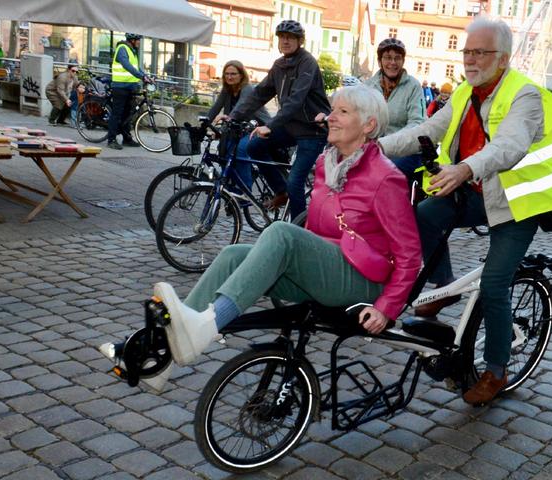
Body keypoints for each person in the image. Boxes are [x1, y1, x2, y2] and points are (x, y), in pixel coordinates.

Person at [100, 85, 421, 382]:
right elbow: (319, 228)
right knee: (232, 256)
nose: (330, 117)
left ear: (368, 125)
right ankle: (160, 358)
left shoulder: (386, 178)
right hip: (328, 269)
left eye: (343, 112)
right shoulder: (327, 163)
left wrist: (386, 307)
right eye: (332, 109)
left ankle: (208, 325)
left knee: (282, 233)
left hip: (360, 279)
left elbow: (410, 255)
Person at [377, 17, 552, 405]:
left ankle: (495, 370)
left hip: (522, 203)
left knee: (496, 285)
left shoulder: (526, 96)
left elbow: (509, 146)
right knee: (424, 217)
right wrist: (372, 147)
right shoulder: (467, 91)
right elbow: (426, 131)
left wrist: (463, 168)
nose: (470, 59)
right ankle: (440, 288)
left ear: (502, 58)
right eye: (466, 52)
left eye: (479, 52)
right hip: (481, 190)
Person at [231, 20, 330, 219]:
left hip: (313, 130)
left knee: (295, 181)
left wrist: (270, 125)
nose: (285, 40)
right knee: (253, 146)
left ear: (299, 40)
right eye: (282, 37)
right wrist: (233, 115)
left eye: (291, 37)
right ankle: (281, 191)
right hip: (291, 127)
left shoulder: (307, 62)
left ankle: (297, 230)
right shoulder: (279, 65)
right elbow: (259, 94)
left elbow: (296, 99)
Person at [365, 38, 426, 177]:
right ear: (380, 61)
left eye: (397, 58)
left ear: (403, 61)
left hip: (405, 150)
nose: (392, 62)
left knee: (384, 171)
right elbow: (357, 116)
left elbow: (417, 122)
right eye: (387, 58)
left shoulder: (413, 86)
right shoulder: (368, 86)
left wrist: (390, 143)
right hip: (373, 148)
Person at [207, 61, 271, 189]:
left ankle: (244, 190)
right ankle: (230, 184)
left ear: (241, 75)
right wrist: (204, 123)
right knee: (223, 150)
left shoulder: (247, 89)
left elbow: (240, 108)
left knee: (241, 149)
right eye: (227, 74)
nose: (229, 77)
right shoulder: (227, 89)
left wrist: (228, 118)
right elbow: (216, 107)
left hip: (256, 128)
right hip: (237, 128)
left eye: (233, 74)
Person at [107, 33, 153, 150]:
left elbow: (137, 68)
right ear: (132, 40)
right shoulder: (122, 49)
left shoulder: (132, 51)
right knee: (117, 114)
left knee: (128, 114)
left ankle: (126, 138)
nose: (139, 42)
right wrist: (141, 77)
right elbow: (127, 66)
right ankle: (111, 140)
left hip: (130, 87)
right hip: (120, 86)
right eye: (138, 40)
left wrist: (146, 76)